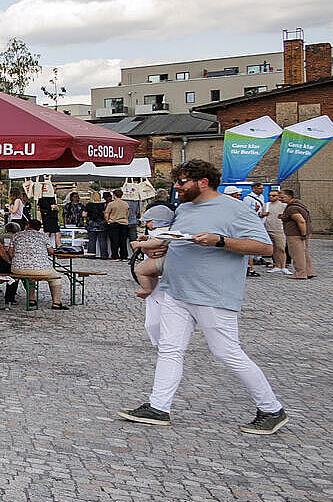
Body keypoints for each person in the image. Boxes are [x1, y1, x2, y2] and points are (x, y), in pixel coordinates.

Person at [118, 159, 287, 435]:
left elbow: (265, 247)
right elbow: (178, 238)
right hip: (176, 290)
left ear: (203, 182)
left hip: (212, 294)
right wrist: (155, 244)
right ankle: (158, 407)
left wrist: (220, 241)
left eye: (182, 181)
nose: (176, 186)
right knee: (170, 349)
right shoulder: (185, 208)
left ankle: (271, 408)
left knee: (228, 353)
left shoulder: (234, 210)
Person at [8, 217, 66, 309]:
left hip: (17, 269)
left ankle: (31, 299)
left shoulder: (17, 235)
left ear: (27, 226)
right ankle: (56, 302)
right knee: (56, 277)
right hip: (40, 270)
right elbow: (51, 251)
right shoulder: (43, 236)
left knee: (30, 277)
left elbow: (10, 252)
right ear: (39, 228)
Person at [279, 189, 314, 279]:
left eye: (282, 197)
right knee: (304, 252)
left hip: (295, 234)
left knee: (297, 254)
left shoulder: (292, 208)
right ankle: (309, 272)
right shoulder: (300, 204)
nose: (280, 199)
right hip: (304, 232)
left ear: (290, 197)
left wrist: (303, 234)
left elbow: (301, 221)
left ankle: (300, 273)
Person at [261, 189, 289, 275]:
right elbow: (260, 215)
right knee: (274, 249)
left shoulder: (283, 205)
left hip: (279, 229)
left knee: (281, 248)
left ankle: (283, 266)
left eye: (273, 195)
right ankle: (277, 265)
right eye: (269, 195)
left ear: (278, 197)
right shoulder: (266, 205)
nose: (271, 197)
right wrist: (263, 214)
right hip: (268, 229)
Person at [104, 190, 130, 262]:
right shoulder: (126, 204)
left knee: (114, 241)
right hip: (124, 223)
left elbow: (106, 214)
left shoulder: (111, 204)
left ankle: (115, 256)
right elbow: (127, 214)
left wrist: (108, 221)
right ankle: (124, 256)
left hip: (114, 223)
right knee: (123, 241)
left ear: (114, 195)